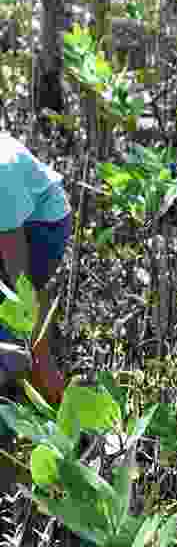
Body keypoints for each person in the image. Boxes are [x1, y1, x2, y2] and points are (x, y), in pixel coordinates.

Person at [0, 134, 70, 408]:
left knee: (14, 308)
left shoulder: (2, 174)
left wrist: (42, 361)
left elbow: (20, 279)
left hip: (42, 225)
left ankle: (23, 368)